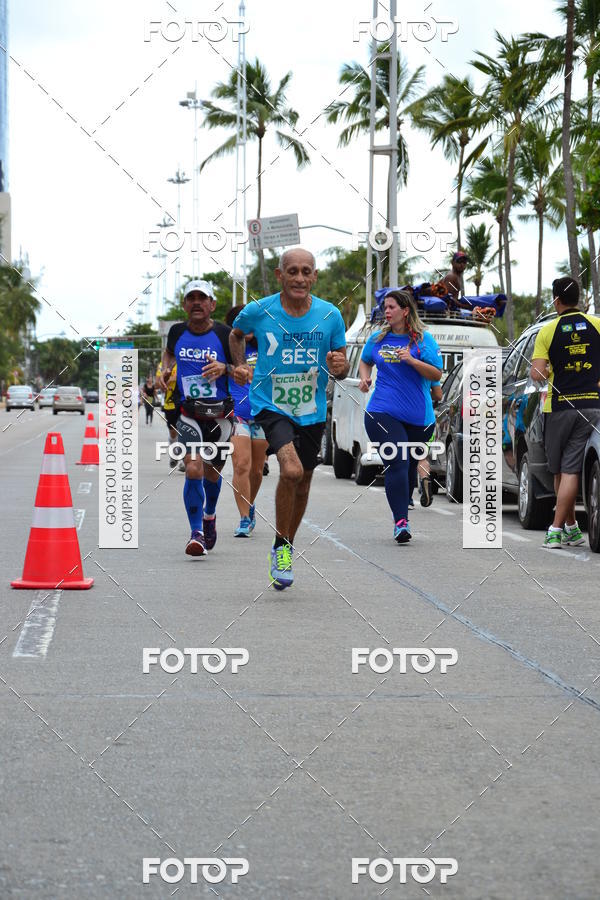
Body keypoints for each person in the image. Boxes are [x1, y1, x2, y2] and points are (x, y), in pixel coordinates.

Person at [229, 247, 348, 590]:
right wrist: (238, 364)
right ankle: (281, 548)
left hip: (310, 409)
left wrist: (339, 367)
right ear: (280, 276)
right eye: (292, 271)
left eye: (306, 271)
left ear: (314, 276)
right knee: (291, 469)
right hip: (271, 404)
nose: (299, 278)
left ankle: (285, 545)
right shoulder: (260, 310)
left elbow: (338, 362)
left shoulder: (330, 316)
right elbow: (236, 333)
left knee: (305, 480)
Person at [359, 290, 443, 543]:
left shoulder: (423, 340)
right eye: (385, 307)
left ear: (405, 311)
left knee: (406, 468)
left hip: (419, 418)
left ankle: (409, 497)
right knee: (397, 461)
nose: (387, 311)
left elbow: (436, 375)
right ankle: (401, 522)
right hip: (381, 411)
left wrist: (411, 361)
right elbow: (365, 361)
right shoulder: (378, 338)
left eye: (392, 307)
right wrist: (365, 377)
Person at [159, 279, 235, 556]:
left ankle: (210, 515)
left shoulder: (227, 334)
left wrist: (224, 367)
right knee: (193, 468)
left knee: (213, 474)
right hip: (188, 413)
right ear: (184, 305)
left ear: (212, 305)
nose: (196, 303)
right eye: (191, 298)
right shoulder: (177, 332)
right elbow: (168, 354)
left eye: (202, 298)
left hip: (220, 416)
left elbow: (243, 370)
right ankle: (196, 533)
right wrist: (165, 370)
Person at [530, 275, 600, 549]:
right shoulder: (597, 324)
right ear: (579, 298)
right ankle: (570, 527)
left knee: (564, 471)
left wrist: (549, 369)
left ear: (556, 300)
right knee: (566, 470)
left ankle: (555, 530)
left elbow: (537, 373)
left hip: (559, 407)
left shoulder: (548, 330)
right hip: (593, 405)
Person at [225, 305, 269, 537]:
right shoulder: (229, 346)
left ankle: (249, 505)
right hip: (238, 414)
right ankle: (243, 518)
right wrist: (231, 368)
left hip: (263, 415)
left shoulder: (268, 344)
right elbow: (220, 369)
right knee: (241, 465)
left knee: (257, 470)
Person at [156, 360, 179, 468]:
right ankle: (174, 454)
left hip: (185, 402)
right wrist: (166, 380)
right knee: (173, 432)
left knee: (186, 430)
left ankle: (185, 461)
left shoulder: (187, 359)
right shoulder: (163, 365)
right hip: (170, 403)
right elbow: (157, 384)